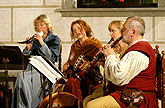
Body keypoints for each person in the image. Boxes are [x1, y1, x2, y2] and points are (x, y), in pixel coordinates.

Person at [86, 16, 158, 108]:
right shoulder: (134, 48)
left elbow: (118, 77)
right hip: (129, 94)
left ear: (133, 32)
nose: (122, 32)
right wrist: (106, 63)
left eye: (124, 29)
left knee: (92, 105)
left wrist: (110, 55)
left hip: (138, 99)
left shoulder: (138, 52)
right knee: (88, 100)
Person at [11, 14, 61, 108]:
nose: (39, 27)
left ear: (47, 26)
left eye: (42, 25)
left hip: (46, 70)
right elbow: (25, 57)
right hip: (32, 67)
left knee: (24, 79)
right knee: (20, 77)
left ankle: (31, 105)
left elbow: (52, 58)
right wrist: (28, 48)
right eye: (37, 25)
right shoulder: (35, 40)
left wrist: (42, 43)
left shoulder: (55, 39)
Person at [83, 20, 128, 108]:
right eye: (110, 31)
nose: (110, 34)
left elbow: (118, 71)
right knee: (86, 100)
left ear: (122, 32)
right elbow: (106, 76)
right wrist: (102, 63)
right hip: (109, 85)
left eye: (113, 31)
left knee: (90, 104)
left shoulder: (127, 49)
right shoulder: (114, 49)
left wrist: (110, 57)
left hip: (121, 89)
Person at [62, 19, 103, 102]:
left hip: (91, 76)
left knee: (72, 82)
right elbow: (70, 63)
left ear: (85, 29)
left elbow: (102, 62)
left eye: (79, 28)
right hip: (76, 75)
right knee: (71, 81)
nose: (77, 31)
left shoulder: (94, 44)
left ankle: (77, 104)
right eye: (74, 30)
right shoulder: (74, 46)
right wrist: (66, 67)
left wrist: (88, 65)